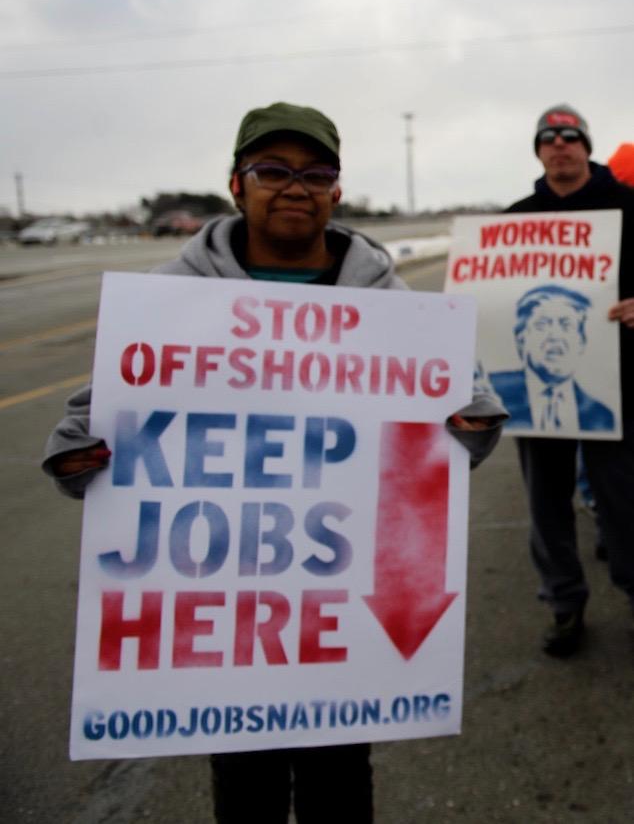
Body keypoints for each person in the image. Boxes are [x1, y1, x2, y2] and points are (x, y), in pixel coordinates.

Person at [43, 101, 505, 824]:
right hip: (232, 638)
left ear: (337, 191)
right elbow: (84, 426)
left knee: (342, 787)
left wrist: (472, 426)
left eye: (316, 172)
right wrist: (77, 457)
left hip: (339, 627)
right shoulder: (173, 294)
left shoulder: (385, 296)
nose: (296, 186)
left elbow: (467, 414)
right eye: (273, 170)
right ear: (237, 184)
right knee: (247, 793)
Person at [506, 104, 634, 658]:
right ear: (539, 150)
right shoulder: (515, 218)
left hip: (619, 385)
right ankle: (564, 605)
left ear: (587, 145)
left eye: (570, 136)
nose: (560, 145)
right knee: (546, 505)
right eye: (549, 138)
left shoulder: (629, 208)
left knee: (625, 503)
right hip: (536, 402)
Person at [489, 284, 614, 432]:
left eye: (566, 326)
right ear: (521, 339)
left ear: (581, 341)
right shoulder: (489, 396)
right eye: (542, 325)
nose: (555, 336)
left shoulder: (601, 416)